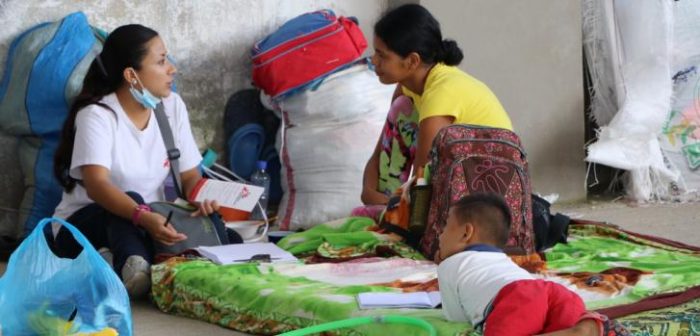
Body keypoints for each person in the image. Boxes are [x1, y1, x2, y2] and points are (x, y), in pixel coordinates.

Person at [51, 24, 239, 298]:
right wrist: (141, 215)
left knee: (229, 240)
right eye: (161, 61)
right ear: (131, 75)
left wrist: (200, 197)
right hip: (84, 226)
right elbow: (97, 186)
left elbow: (189, 176)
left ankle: (114, 264)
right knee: (129, 202)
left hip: (150, 220)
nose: (171, 69)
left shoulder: (172, 107)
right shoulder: (98, 116)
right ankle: (135, 271)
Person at [361, 4, 513, 206]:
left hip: (489, 197)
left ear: (412, 61)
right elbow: (380, 154)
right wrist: (370, 194)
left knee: (407, 210)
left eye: (382, 55)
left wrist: (391, 205)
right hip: (448, 186)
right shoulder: (406, 89)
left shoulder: (441, 94)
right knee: (401, 107)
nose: (373, 61)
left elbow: (423, 184)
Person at [436, 193, 630, 336]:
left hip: (514, 297)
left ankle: (582, 331)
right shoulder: (502, 260)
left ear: (466, 233)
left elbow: (455, 317)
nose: (440, 235)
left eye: (445, 227)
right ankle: (586, 328)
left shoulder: (449, 265)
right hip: (551, 291)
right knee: (558, 324)